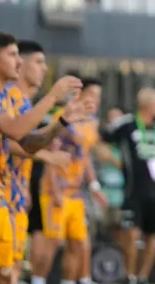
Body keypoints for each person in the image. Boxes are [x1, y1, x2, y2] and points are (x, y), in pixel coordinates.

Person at [0, 32, 85, 284]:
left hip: (0, 198)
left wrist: (62, 122)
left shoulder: (4, 98)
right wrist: (52, 97)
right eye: (12, 55)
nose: (19, 61)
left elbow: (28, 144)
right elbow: (15, 130)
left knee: (5, 275)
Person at [9, 41, 70, 284]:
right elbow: (8, 142)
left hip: (15, 196)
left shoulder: (25, 104)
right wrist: (48, 157)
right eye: (39, 62)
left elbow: (30, 142)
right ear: (19, 64)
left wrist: (62, 122)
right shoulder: (1, 99)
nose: (44, 68)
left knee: (10, 269)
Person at [103, 89, 155, 284]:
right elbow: (101, 139)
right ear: (149, 105)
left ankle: (143, 277)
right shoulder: (127, 124)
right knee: (130, 233)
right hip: (133, 190)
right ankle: (129, 276)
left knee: (153, 234)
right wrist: (112, 159)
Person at [43, 80, 107, 284]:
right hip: (56, 189)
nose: (96, 100)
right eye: (92, 95)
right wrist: (54, 188)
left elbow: (85, 157)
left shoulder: (92, 123)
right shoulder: (64, 117)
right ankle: (38, 279)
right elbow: (49, 154)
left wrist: (94, 185)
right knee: (53, 241)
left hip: (76, 191)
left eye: (99, 97)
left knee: (78, 241)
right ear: (80, 94)